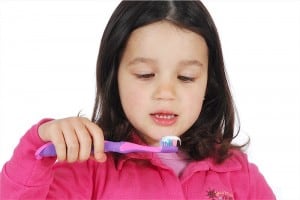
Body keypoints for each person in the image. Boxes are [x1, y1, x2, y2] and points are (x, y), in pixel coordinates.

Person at [0, 1, 276, 199]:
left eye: (186, 77)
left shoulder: (239, 174)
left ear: (209, 82)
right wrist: (37, 145)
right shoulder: (89, 168)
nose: (166, 93)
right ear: (114, 76)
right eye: (145, 75)